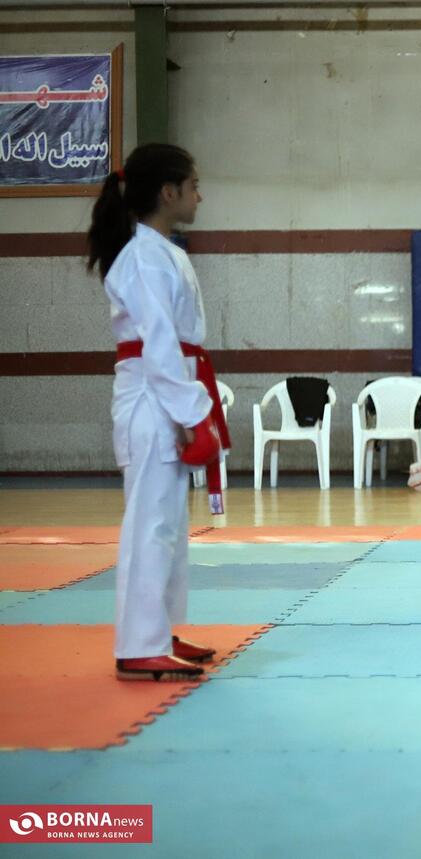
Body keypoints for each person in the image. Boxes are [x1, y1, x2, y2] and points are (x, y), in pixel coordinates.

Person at [87, 144, 224, 681]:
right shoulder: (144, 256)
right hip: (151, 398)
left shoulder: (161, 251)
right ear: (169, 193)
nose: (199, 196)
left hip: (165, 392)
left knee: (168, 524)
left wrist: (193, 408)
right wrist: (194, 414)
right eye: (194, 186)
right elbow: (159, 343)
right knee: (150, 523)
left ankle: (159, 631)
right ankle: (139, 643)